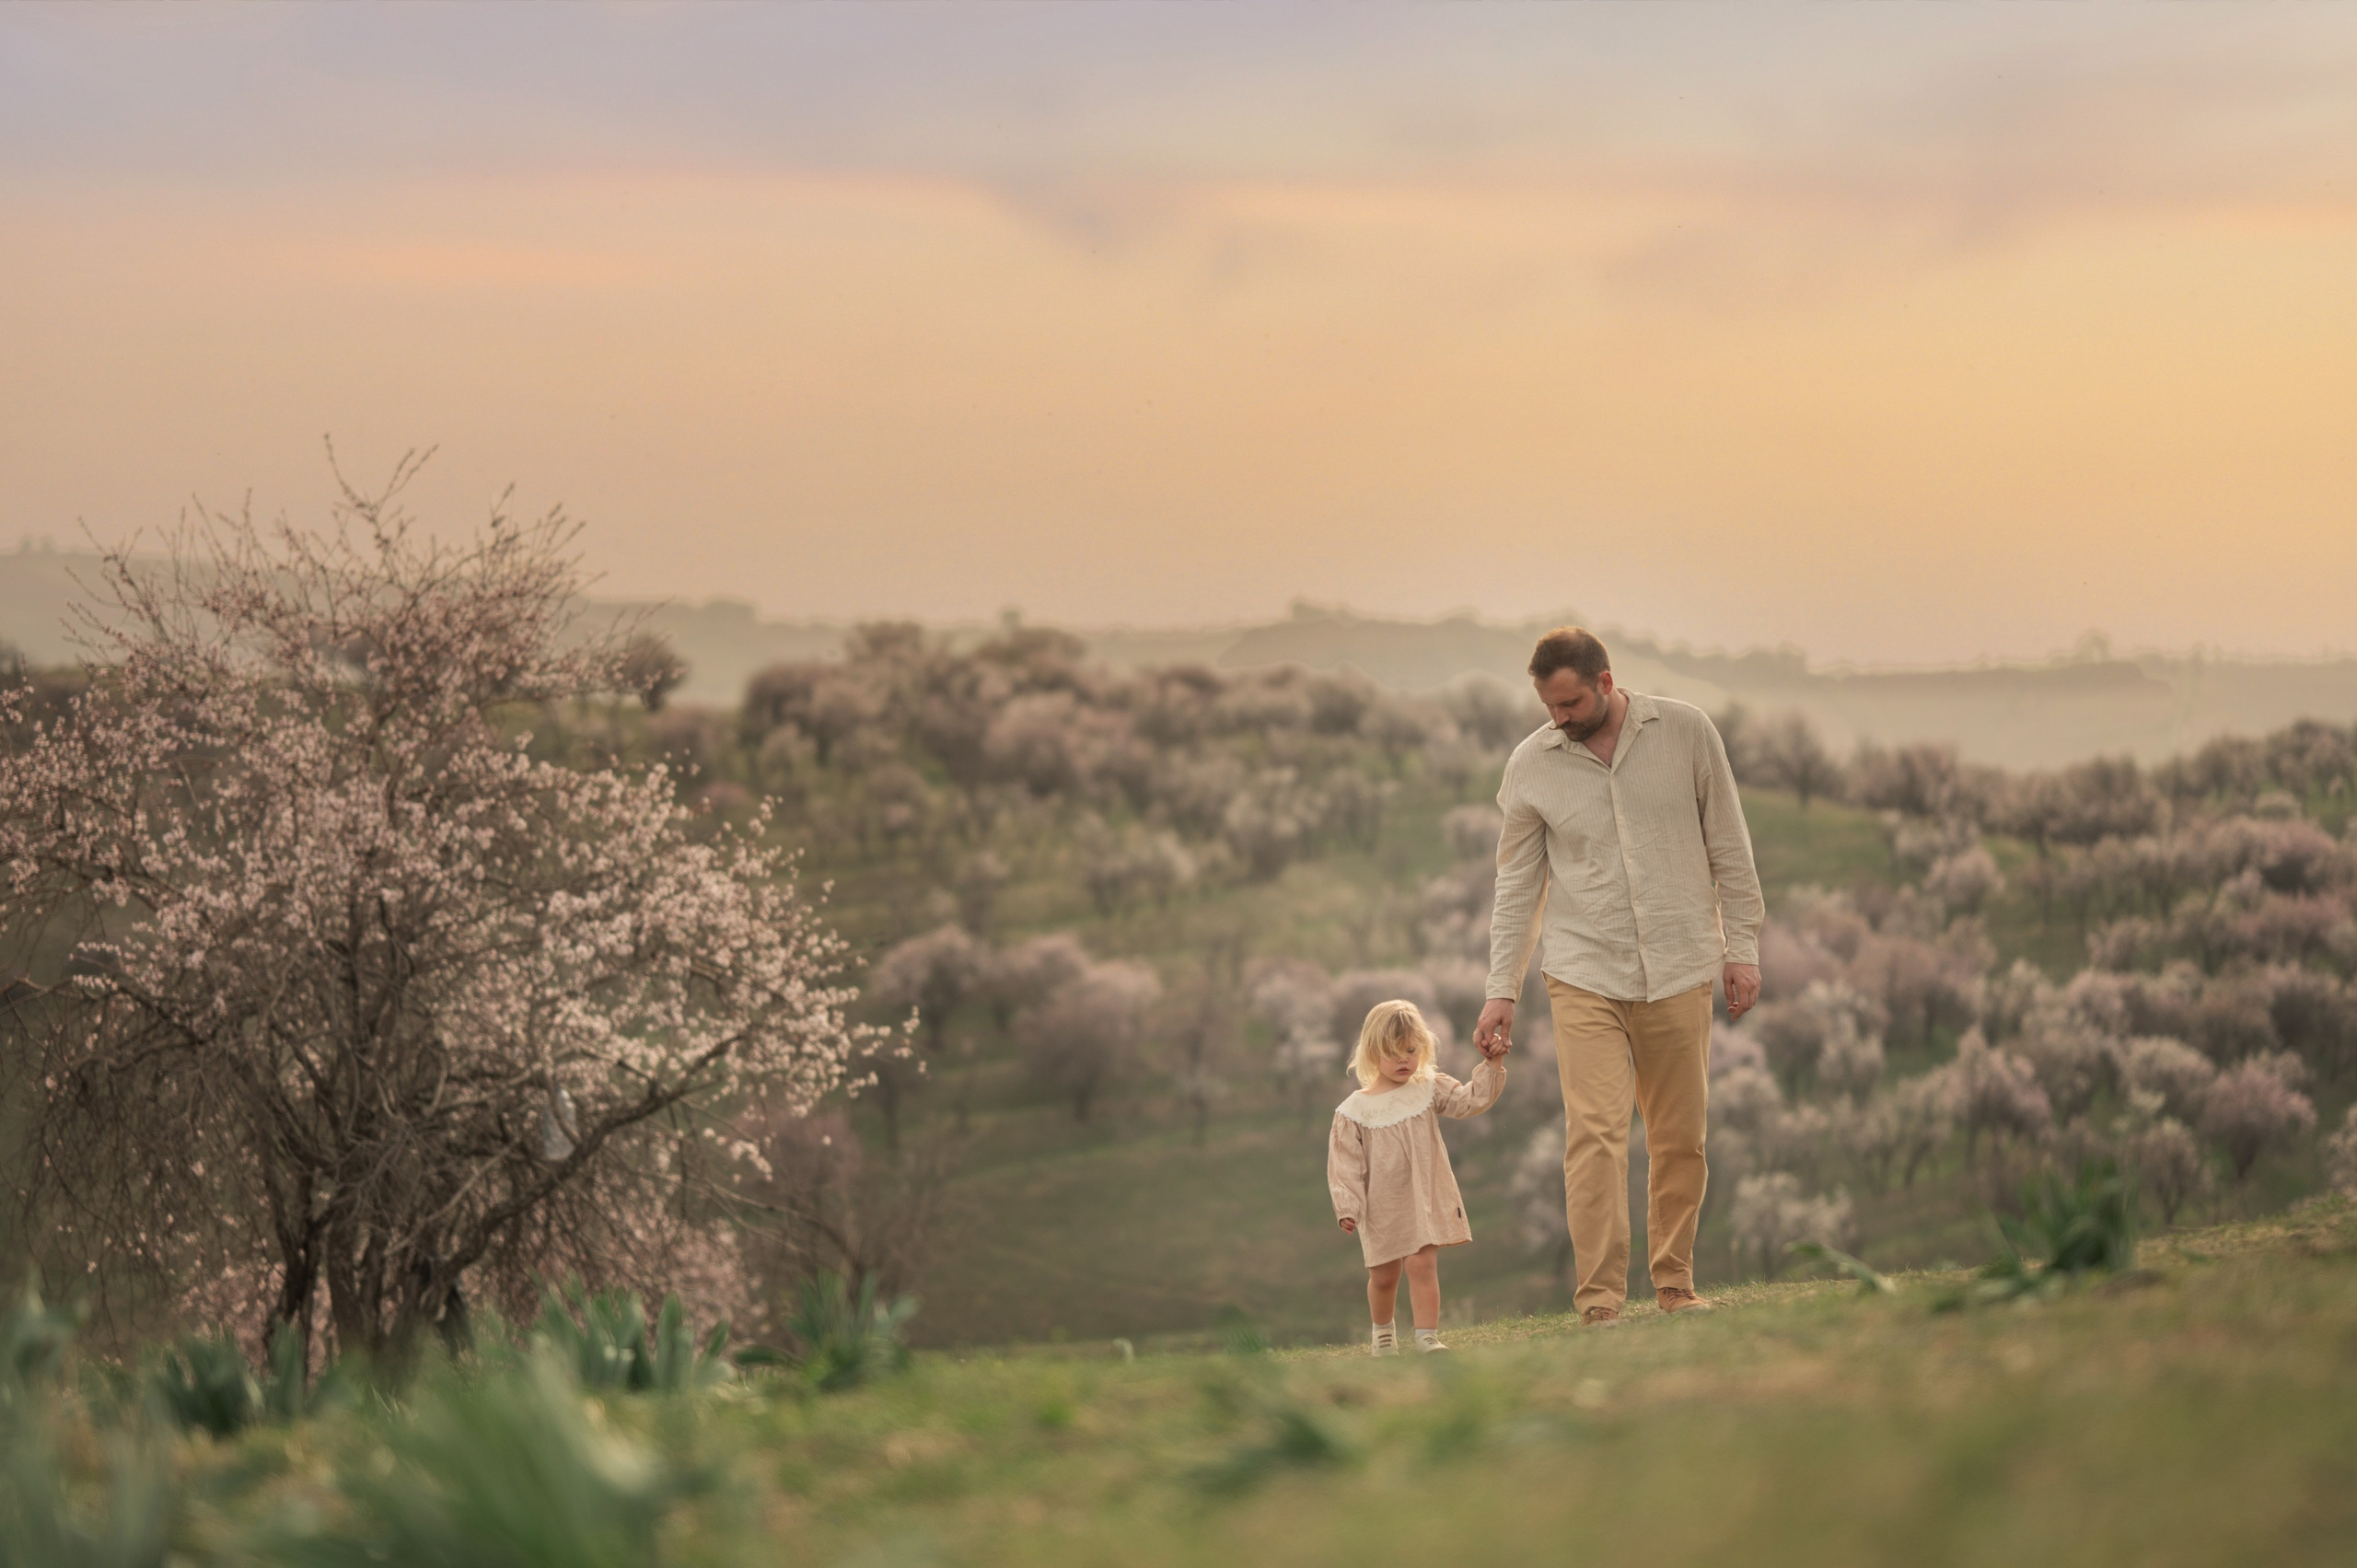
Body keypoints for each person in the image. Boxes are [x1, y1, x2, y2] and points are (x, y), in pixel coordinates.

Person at [1473, 626, 1763, 1328]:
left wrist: (1743, 943)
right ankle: (1600, 1301)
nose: (1559, 719)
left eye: (1570, 703)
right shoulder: (1533, 764)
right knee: (1595, 1134)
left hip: (1681, 963)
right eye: (1549, 707)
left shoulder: (1687, 732)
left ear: (1606, 682)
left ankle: (1675, 1284)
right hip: (1583, 972)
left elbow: (1729, 838)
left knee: (1679, 1136)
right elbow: (1517, 884)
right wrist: (1501, 988)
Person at [1328, 999, 1507, 1355]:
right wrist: (1347, 1207)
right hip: (1381, 1206)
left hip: (1423, 1198)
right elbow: (1344, 1164)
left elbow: (1470, 1101)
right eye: (1393, 1053)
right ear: (1372, 1053)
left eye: (1411, 1050)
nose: (1404, 1060)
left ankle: (1427, 1337)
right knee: (1384, 1276)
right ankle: (1383, 1334)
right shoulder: (1354, 1111)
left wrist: (1492, 1064)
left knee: (1422, 1265)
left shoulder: (1427, 1089)